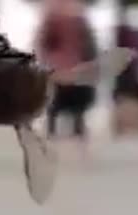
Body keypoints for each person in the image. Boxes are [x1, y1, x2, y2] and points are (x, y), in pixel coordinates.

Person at [34, 0, 98, 147]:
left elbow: (42, 43)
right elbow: (89, 46)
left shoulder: (53, 14)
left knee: (55, 112)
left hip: (59, 69)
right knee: (76, 113)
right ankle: (78, 144)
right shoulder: (77, 15)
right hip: (74, 69)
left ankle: (54, 143)